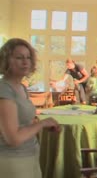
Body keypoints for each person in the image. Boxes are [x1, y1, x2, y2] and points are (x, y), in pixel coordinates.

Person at [0, 38, 60, 178]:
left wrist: (39, 124)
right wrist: (42, 123)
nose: (25, 62)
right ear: (6, 60)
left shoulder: (21, 87)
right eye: (19, 57)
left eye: (28, 57)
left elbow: (22, 123)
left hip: (30, 155)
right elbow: (13, 138)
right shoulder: (4, 90)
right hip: (12, 161)